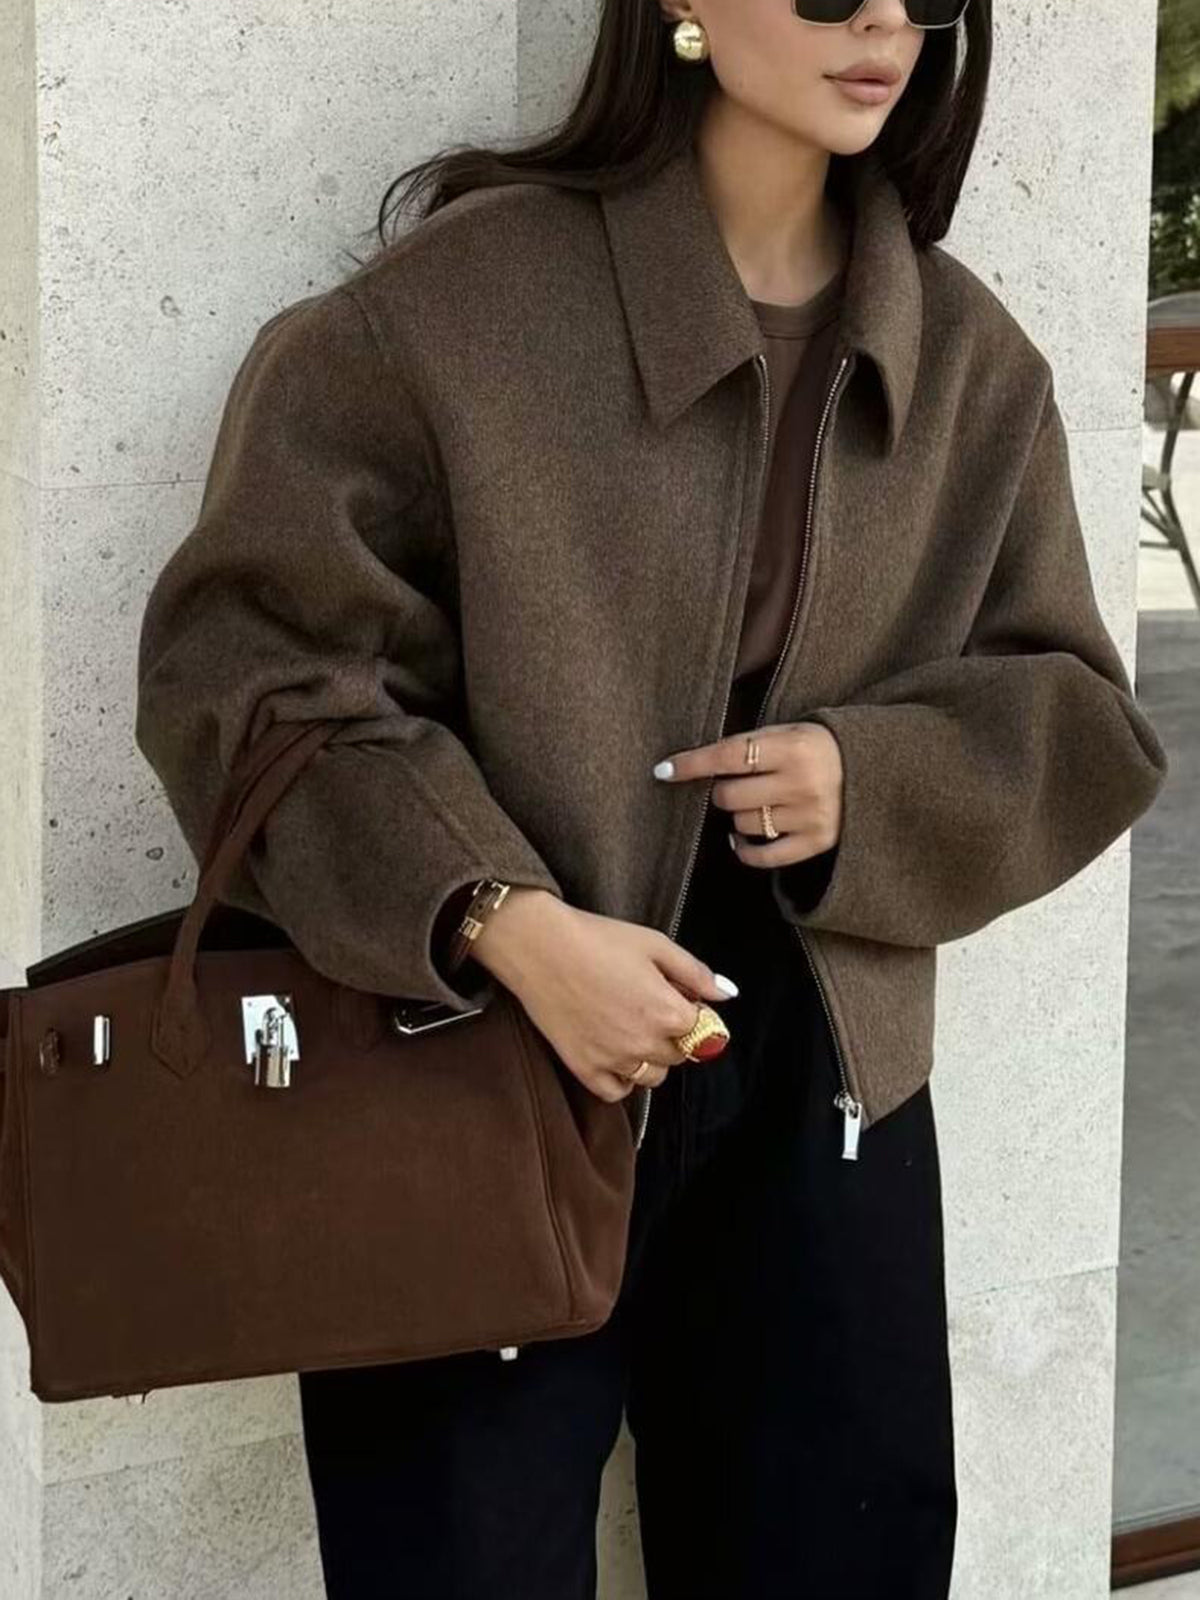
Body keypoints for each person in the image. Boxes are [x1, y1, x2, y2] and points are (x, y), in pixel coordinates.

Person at [135, 0, 1169, 1595]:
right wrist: (495, 916)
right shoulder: (459, 310)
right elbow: (244, 674)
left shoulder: (970, 363)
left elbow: (1080, 715)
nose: (883, 19)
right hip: (480, 1055)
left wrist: (871, 777)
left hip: (826, 1070)